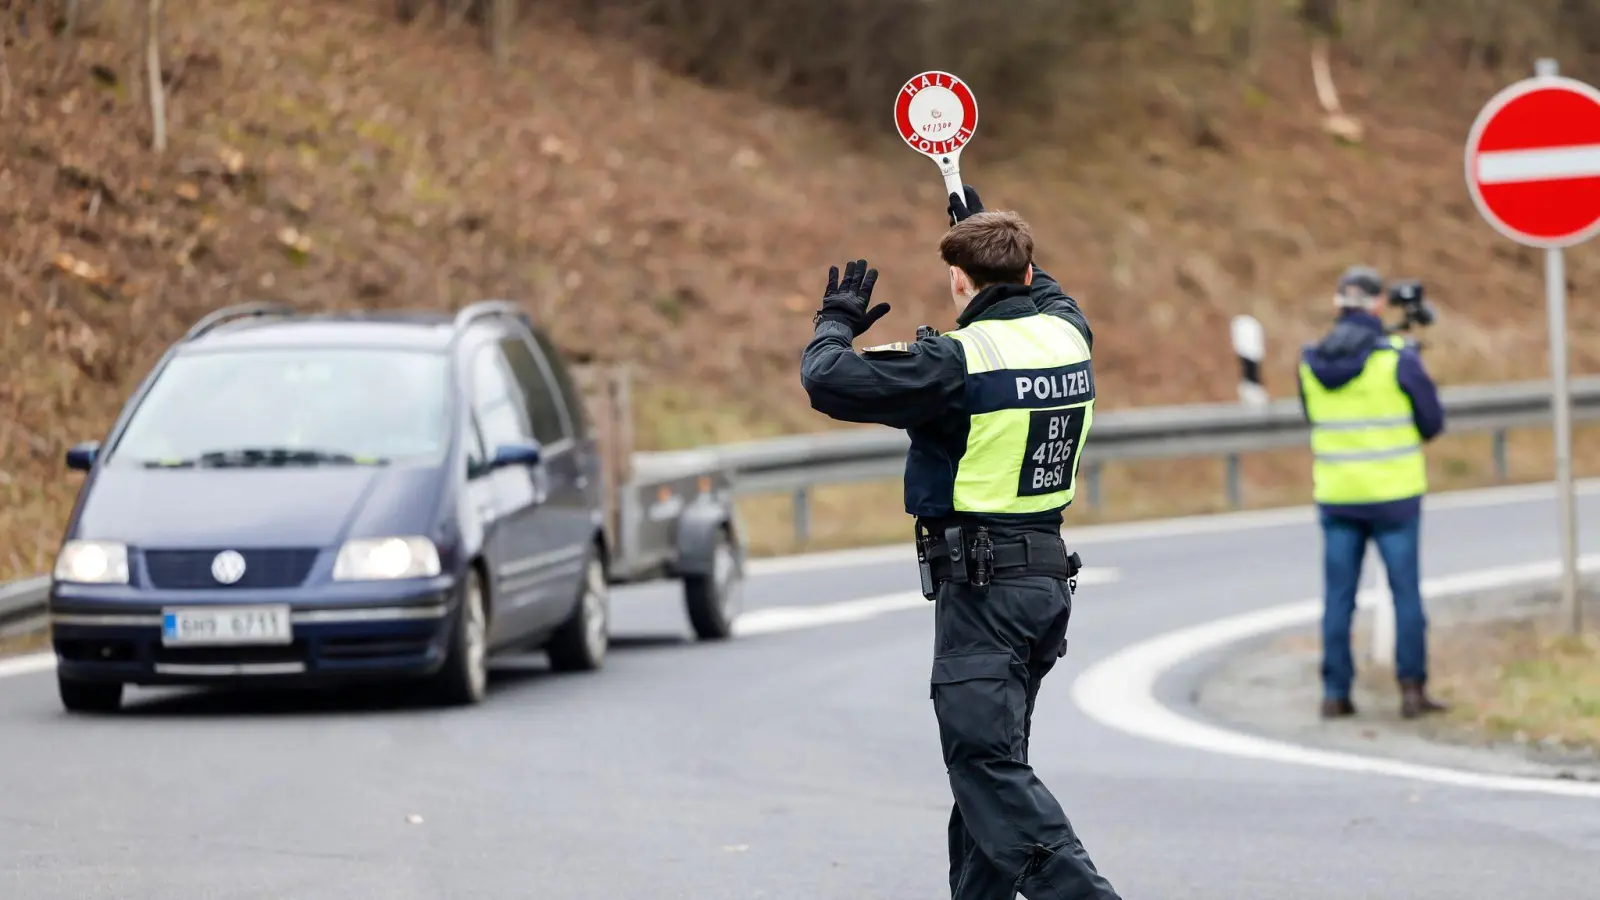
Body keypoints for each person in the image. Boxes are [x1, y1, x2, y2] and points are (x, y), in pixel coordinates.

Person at [800, 186, 1122, 900]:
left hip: (984, 594)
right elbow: (1045, 288)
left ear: (957, 281)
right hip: (1044, 588)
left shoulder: (953, 362)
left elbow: (826, 379)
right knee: (990, 770)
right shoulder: (1068, 334)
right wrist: (979, 227)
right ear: (1028, 273)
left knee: (986, 770)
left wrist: (834, 321)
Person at [1297, 265, 1448, 721]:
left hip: (1338, 495)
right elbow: (1432, 422)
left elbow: (1312, 417)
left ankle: (1335, 694)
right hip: (1395, 497)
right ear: (1380, 304)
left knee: (1338, 598)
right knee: (1405, 595)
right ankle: (1412, 690)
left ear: (1337, 303)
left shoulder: (1310, 360)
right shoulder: (1397, 358)